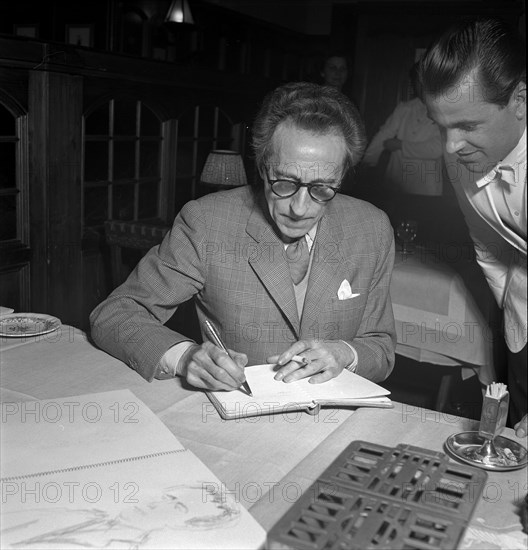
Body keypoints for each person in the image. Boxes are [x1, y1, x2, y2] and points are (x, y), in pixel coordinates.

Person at [90, 82, 396, 392]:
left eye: (322, 188)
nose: (300, 208)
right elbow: (114, 314)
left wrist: (345, 353)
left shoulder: (372, 228)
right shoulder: (207, 223)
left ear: (341, 176)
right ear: (263, 168)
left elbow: (381, 349)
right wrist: (185, 357)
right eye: (285, 182)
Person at [416, 18, 526, 437]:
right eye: (441, 125)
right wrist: (512, 326)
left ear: (520, 99)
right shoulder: (458, 157)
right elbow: (488, 249)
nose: (450, 146)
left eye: (467, 126)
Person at [361, 64, 444, 237]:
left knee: (424, 238)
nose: (422, 86)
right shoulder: (404, 108)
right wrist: (367, 161)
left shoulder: (444, 109)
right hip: (398, 185)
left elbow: (437, 148)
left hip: (426, 189)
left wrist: (400, 145)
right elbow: (383, 135)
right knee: (394, 235)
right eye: (418, 81)